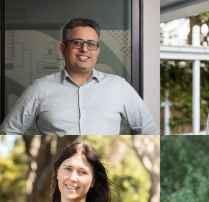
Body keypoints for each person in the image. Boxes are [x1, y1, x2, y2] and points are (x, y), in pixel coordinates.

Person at [1, 18, 159, 135]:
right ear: (63, 48)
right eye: (77, 42)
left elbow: (149, 130)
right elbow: (8, 133)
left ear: (98, 50)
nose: (85, 49)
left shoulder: (119, 87)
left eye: (91, 44)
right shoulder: (40, 88)